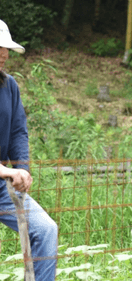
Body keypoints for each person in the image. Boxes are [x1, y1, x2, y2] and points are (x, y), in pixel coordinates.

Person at [0, 19, 58, 280]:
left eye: (6, 49)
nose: (4, 54)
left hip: (2, 185)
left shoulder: (9, 86)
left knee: (46, 230)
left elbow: (17, 133)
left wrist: (21, 170)